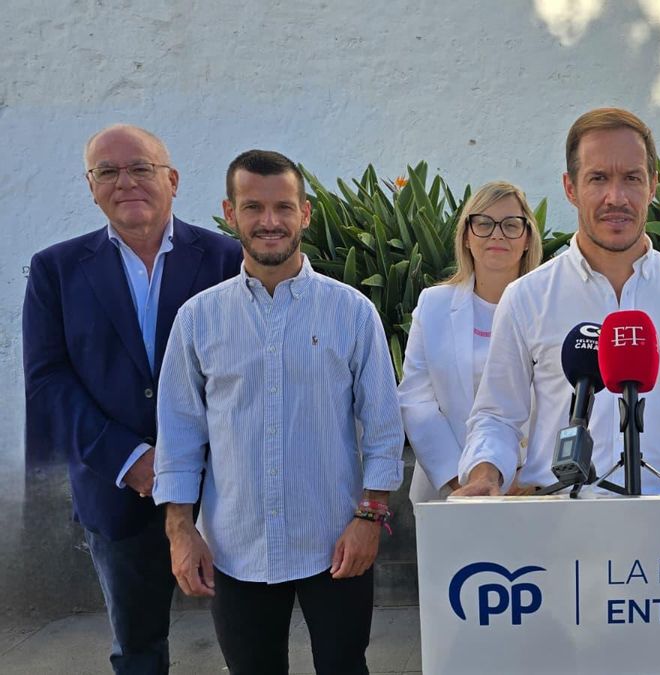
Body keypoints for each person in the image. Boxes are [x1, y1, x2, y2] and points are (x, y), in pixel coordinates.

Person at [152, 150, 405, 675]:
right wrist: (181, 531)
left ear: (304, 214)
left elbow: (383, 427)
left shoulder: (352, 311)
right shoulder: (199, 319)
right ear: (230, 212)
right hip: (234, 544)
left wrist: (369, 517)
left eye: (283, 207)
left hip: (335, 541)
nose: (270, 222)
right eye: (253, 207)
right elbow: (178, 434)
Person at [454, 107, 660, 498]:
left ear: (652, 186)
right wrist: (484, 476)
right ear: (570, 188)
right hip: (558, 527)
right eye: (598, 178)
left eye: (632, 178)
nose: (617, 197)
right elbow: (497, 417)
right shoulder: (527, 297)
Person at [22, 124, 242, 673]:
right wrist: (133, 460)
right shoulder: (56, 270)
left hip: (225, 487)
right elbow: (47, 381)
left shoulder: (225, 259)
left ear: (172, 179)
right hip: (116, 488)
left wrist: (193, 462)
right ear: (90, 187)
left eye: (141, 168)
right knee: (138, 650)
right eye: (108, 172)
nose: (126, 182)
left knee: (249, 641)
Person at [398, 180, 541, 502]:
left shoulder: (551, 307)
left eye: (511, 225)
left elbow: (566, 399)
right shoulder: (434, 305)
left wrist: (529, 475)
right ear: (465, 235)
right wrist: (461, 480)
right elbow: (416, 401)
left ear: (528, 238)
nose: (497, 234)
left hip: (535, 491)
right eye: (484, 224)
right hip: (450, 493)